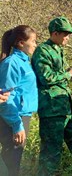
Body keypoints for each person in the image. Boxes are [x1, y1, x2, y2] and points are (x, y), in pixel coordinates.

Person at [31, 16, 72, 175]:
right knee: (51, 151)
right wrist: (69, 74)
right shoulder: (43, 51)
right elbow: (46, 78)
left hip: (67, 107)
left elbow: (63, 73)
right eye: (65, 34)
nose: (68, 37)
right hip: (52, 109)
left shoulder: (59, 50)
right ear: (55, 34)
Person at [0, 25, 38, 176]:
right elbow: (5, 98)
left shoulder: (23, 61)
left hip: (22, 114)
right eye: (33, 41)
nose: (35, 45)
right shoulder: (11, 63)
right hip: (13, 117)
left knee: (14, 159)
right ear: (21, 43)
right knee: (10, 161)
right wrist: (16, 124)